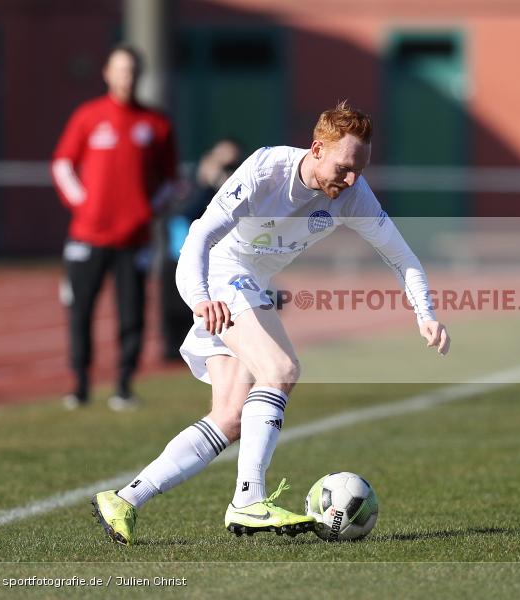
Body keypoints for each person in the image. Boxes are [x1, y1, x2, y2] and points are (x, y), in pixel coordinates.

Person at [91, 101, 451, 545]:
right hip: (221, 275)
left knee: (228, 417)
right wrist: (201, 300)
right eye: (344, 166)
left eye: (359, 168)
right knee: (280, 370)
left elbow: (402, 257)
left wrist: (426, 314)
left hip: (250, 285)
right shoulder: (265, 169)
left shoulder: (354, 194)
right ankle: (248, 501)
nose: (352, 178)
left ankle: (124, 500)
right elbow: (200, 237)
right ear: (317, 149)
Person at [52, 44, 178, 411]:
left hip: (134, 239)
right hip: (87, 236)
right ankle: (79, 385)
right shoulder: (88, 117)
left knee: (132, 312)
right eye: (121, 69)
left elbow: (170, 180)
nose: (127, 76)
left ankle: (123, 385)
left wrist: (146, 211)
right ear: (107, 73)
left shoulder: (157, 123)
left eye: (133, 70)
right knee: (80, 310)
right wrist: (84, 204)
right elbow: (62, 165)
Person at [160, 138, 243, 360]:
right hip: (178, 255)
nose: (227, 170)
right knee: (174, 312)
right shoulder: (191, 186)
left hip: (216, 260)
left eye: (232, 165)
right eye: (222, 163)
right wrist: (209, 183)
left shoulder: (237, 189)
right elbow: (184, 213)